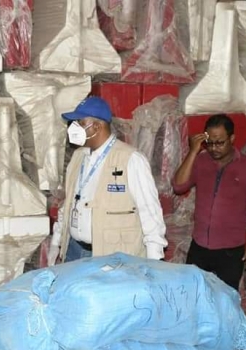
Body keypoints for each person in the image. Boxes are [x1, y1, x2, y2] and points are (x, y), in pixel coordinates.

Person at [47, 97, 167, 264]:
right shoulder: (78, 157)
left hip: (113, 257)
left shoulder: (131, 159)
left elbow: (150, 213)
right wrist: (56, 241)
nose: (74, 128)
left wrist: (154, 261)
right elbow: (68, 204)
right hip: (74, 251)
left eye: (80, 123)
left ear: (97, 126)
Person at [173, 114, 246, 290]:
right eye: (210, 143)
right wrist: (193, 151)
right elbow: (178, 186)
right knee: (193, 294)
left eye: (220, 143)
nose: (214, 148)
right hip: (199, 246)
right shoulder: (200, 161)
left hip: (231, 250)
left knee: (226, 299)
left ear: (232, 138)